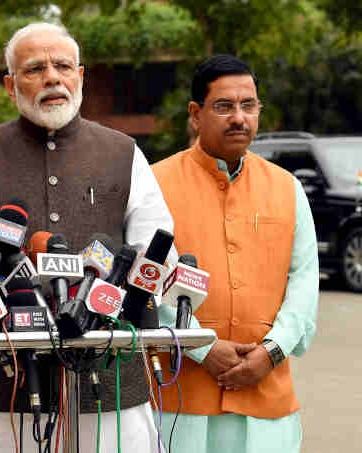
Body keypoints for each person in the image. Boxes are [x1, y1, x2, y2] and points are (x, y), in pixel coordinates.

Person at [0, 22, 174, 453]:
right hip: (1, 385)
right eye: (35, 68)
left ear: (81, 76)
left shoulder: (123, 152)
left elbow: (157, 256)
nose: (52, 77)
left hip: (108, 381)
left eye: (62, 66)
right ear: (9, 84)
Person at [151, 54, 319, 452]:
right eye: (224, 106)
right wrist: (201, 347)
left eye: (249, 106)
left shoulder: (286, 188)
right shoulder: (154, 185)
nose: (239, 118)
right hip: (181, 400)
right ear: (196, 114)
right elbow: (145, 281)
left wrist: (272, 352)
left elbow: (304, 281)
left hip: (267, 398)